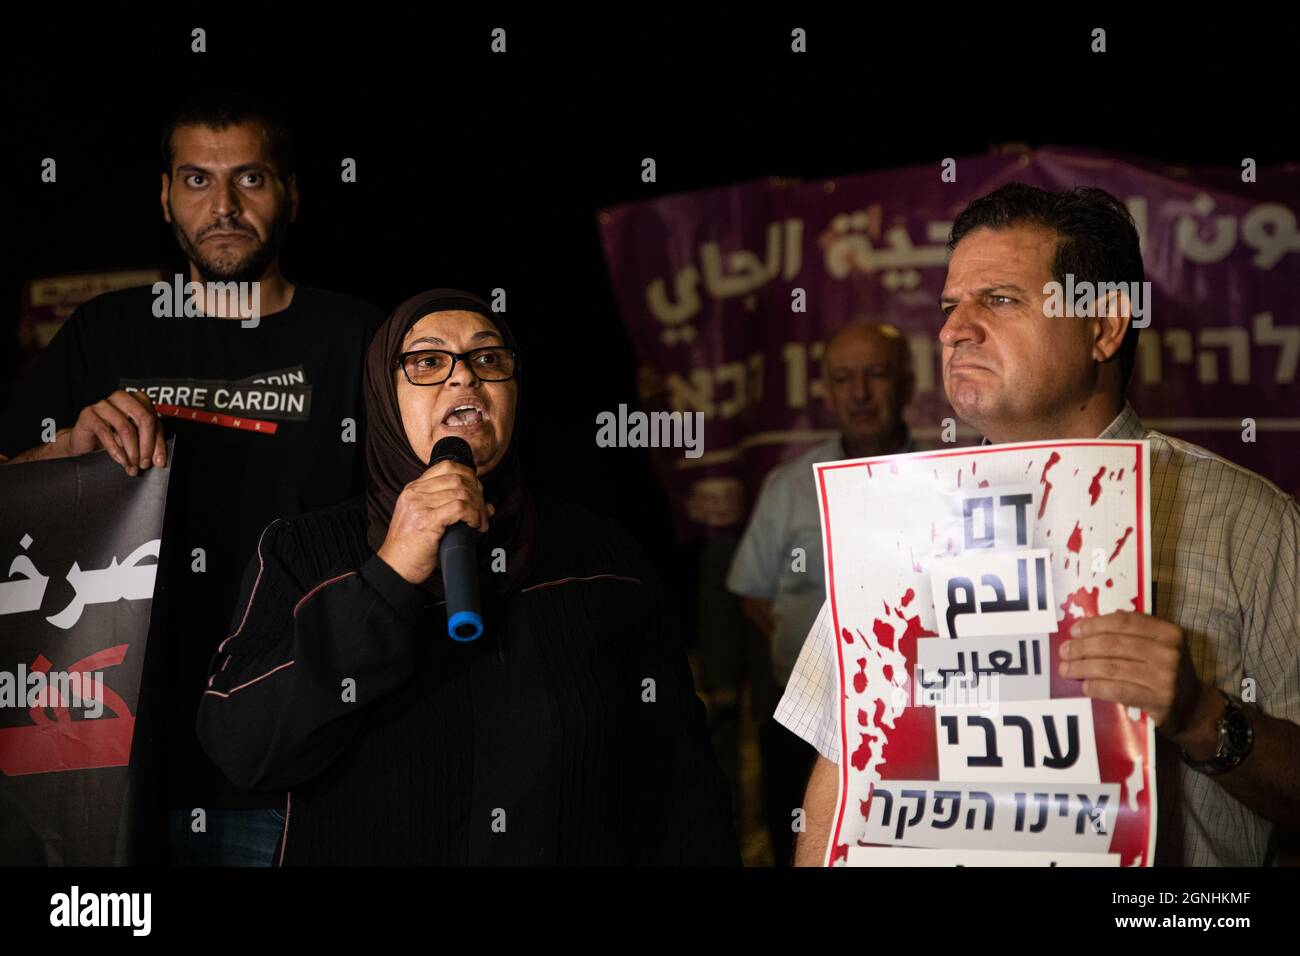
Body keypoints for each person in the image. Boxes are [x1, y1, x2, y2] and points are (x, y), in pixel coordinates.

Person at [779, 183, 1300, 867]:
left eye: (998, 299)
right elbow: (842, 773)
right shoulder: (896, 516)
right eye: (948, 306)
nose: (952, 329)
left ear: (1104, 327)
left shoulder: (1248, 522)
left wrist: (1201, 718)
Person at [196, 289, 740, 865]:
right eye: (428, 362)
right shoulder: (303, 552)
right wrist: (391, 572)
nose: (464, 379)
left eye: (488, 359)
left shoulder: (604, 557)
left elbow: (681, 785)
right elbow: (245, 748)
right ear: (385, 396)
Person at [0, 92, 384, 865]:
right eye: (198, 180)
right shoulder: (104, 332)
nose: (225, 205)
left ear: (292, 194)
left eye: (250, 177)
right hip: (101, 769)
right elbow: (9, 487)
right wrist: (64, 453)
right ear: (166, 198)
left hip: (292, 775)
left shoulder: (358, 338)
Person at [727, 321, 914, 865]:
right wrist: (821, 665)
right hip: (800, 726)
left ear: (905, 383)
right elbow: (755, 596)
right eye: (843, 379)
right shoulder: (788, 487)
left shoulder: (943, 481)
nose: (859, 394)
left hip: (905, 726)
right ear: (827, 391)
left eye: (875, 375)